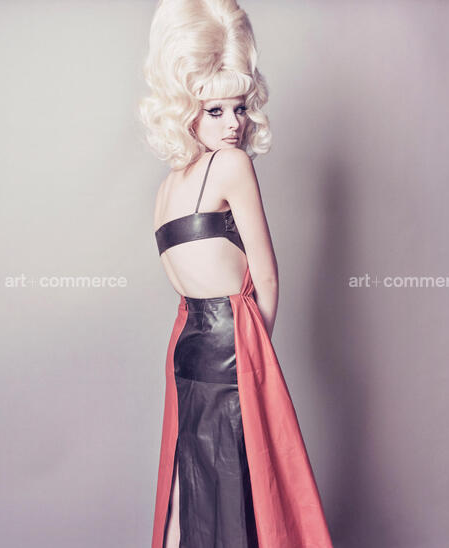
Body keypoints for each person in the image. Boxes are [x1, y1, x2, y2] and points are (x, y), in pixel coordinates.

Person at [138, 1, 334, 547]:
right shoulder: (231, 165)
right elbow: (266, 278)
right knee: (249, 488)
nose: (234, 124)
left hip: (187, 347)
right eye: (216, 110)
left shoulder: (167, 186)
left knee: (190, 483)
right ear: (186, 111)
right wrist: (256, 358)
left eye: (240, 108)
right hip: (233, 344)